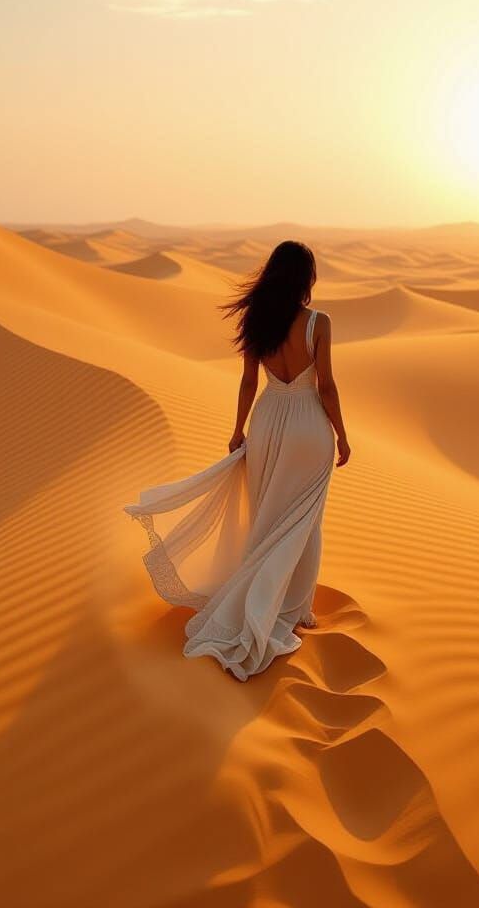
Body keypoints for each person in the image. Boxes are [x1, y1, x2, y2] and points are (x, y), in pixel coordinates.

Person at [123, 240, 350, 681]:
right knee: (304, 520)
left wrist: (238, 429)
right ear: (306, 279)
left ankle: (267, 598)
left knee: (267, 515)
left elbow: (249, 382)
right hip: (308, 428)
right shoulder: (319, 323)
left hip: (267, 422)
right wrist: (341, 434)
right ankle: (294, 608)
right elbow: (326, 387)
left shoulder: (258, 320)